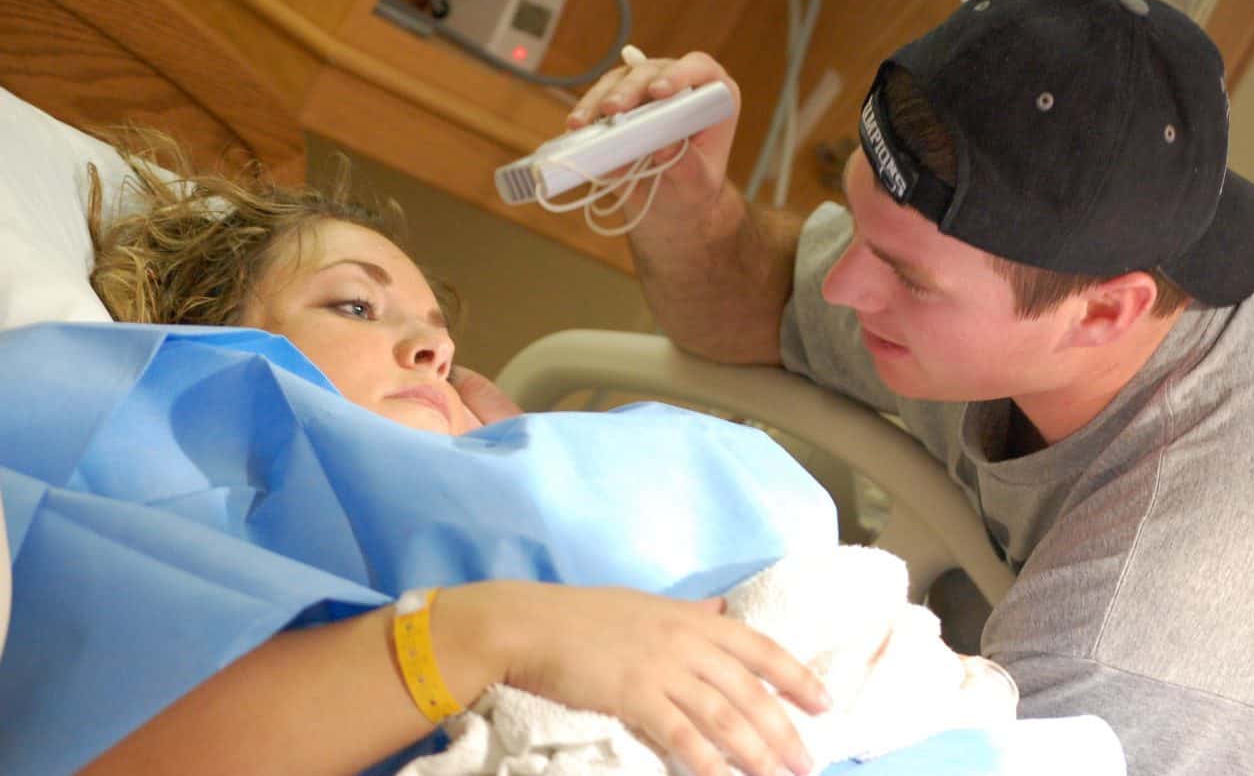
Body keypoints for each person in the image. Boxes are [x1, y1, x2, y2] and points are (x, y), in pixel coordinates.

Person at [568, 0, 1254, 774]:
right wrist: (683, 206)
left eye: (906, 278)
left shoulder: (1153, 647)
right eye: (861, 225)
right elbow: (760, 304)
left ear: (1105, 313)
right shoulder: (1096, 240)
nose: (842, 286)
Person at [44, 137, 834, 776]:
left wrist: (522, 474)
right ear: (217, 347)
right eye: (356, 305)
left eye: (438, 333)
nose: (436, 347)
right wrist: (498, 627)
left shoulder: (510, 475)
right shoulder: (149, 496)